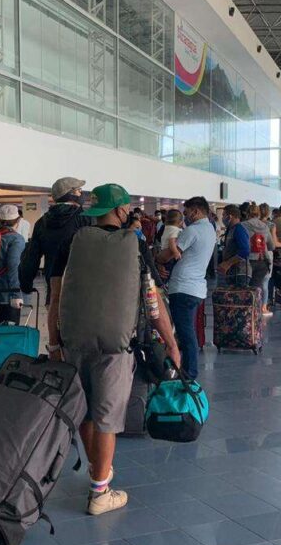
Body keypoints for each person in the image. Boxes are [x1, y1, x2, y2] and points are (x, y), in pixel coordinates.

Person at [48, 184, 180, 516]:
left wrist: (53, 343)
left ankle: (99, 470)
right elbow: (152, 303)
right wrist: (172, 343)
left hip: (73, 341)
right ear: (121, 210)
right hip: (116, 346)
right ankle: (100, 493)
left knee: (84, 411)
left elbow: (56, 298)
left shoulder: (72, 243)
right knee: (107, 417)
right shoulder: (134, 245)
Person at [160, 197, 216, 379]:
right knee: (187, 331)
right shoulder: (210, 229)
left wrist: (156, 258)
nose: (185, 216)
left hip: (183, 287)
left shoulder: (192, 231)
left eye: (187, 212)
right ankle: (186, 370)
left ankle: (189, 373)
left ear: (196, 211)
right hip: (196, 287)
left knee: (185, 334)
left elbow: (168, 255)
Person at [18, 175, 91, 315]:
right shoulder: (85, 218)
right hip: (83, 291)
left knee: (56, 331)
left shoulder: (42, 223)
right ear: (71, 194)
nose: (81, 193)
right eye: (79, 190)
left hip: (53, 291)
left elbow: (31, 258)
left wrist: (26, 285)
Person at [242, 203, 274, 315]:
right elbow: (271, 246)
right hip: (262, 261)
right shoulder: (265, 226)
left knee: (244, 287)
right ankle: (256, 311)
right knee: (257, 287)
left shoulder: (243, 225)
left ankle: (246, 312)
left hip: (247, 261)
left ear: (246, 213)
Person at [217, 204, 251, 284]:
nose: (222, 218)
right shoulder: (231, 229)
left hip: (239, 273)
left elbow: (245, 251)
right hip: (232, 273)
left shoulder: (239, 229)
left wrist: (227, 263)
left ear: (230, 217)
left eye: (223, 215)